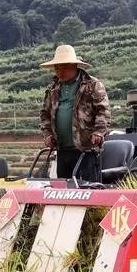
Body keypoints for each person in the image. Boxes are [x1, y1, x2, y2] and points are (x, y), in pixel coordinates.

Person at [38, 44, 111, 180]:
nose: (60, 71)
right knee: (64, 191)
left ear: (75, 66)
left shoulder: (93, 85)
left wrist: (99, 132)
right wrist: (47, 134)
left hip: (86, 150)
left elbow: (103, 111)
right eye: (57, 67)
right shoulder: (53, 88)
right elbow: (45, 114)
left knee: (87, 190)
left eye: (64, 67)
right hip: (62, 149)